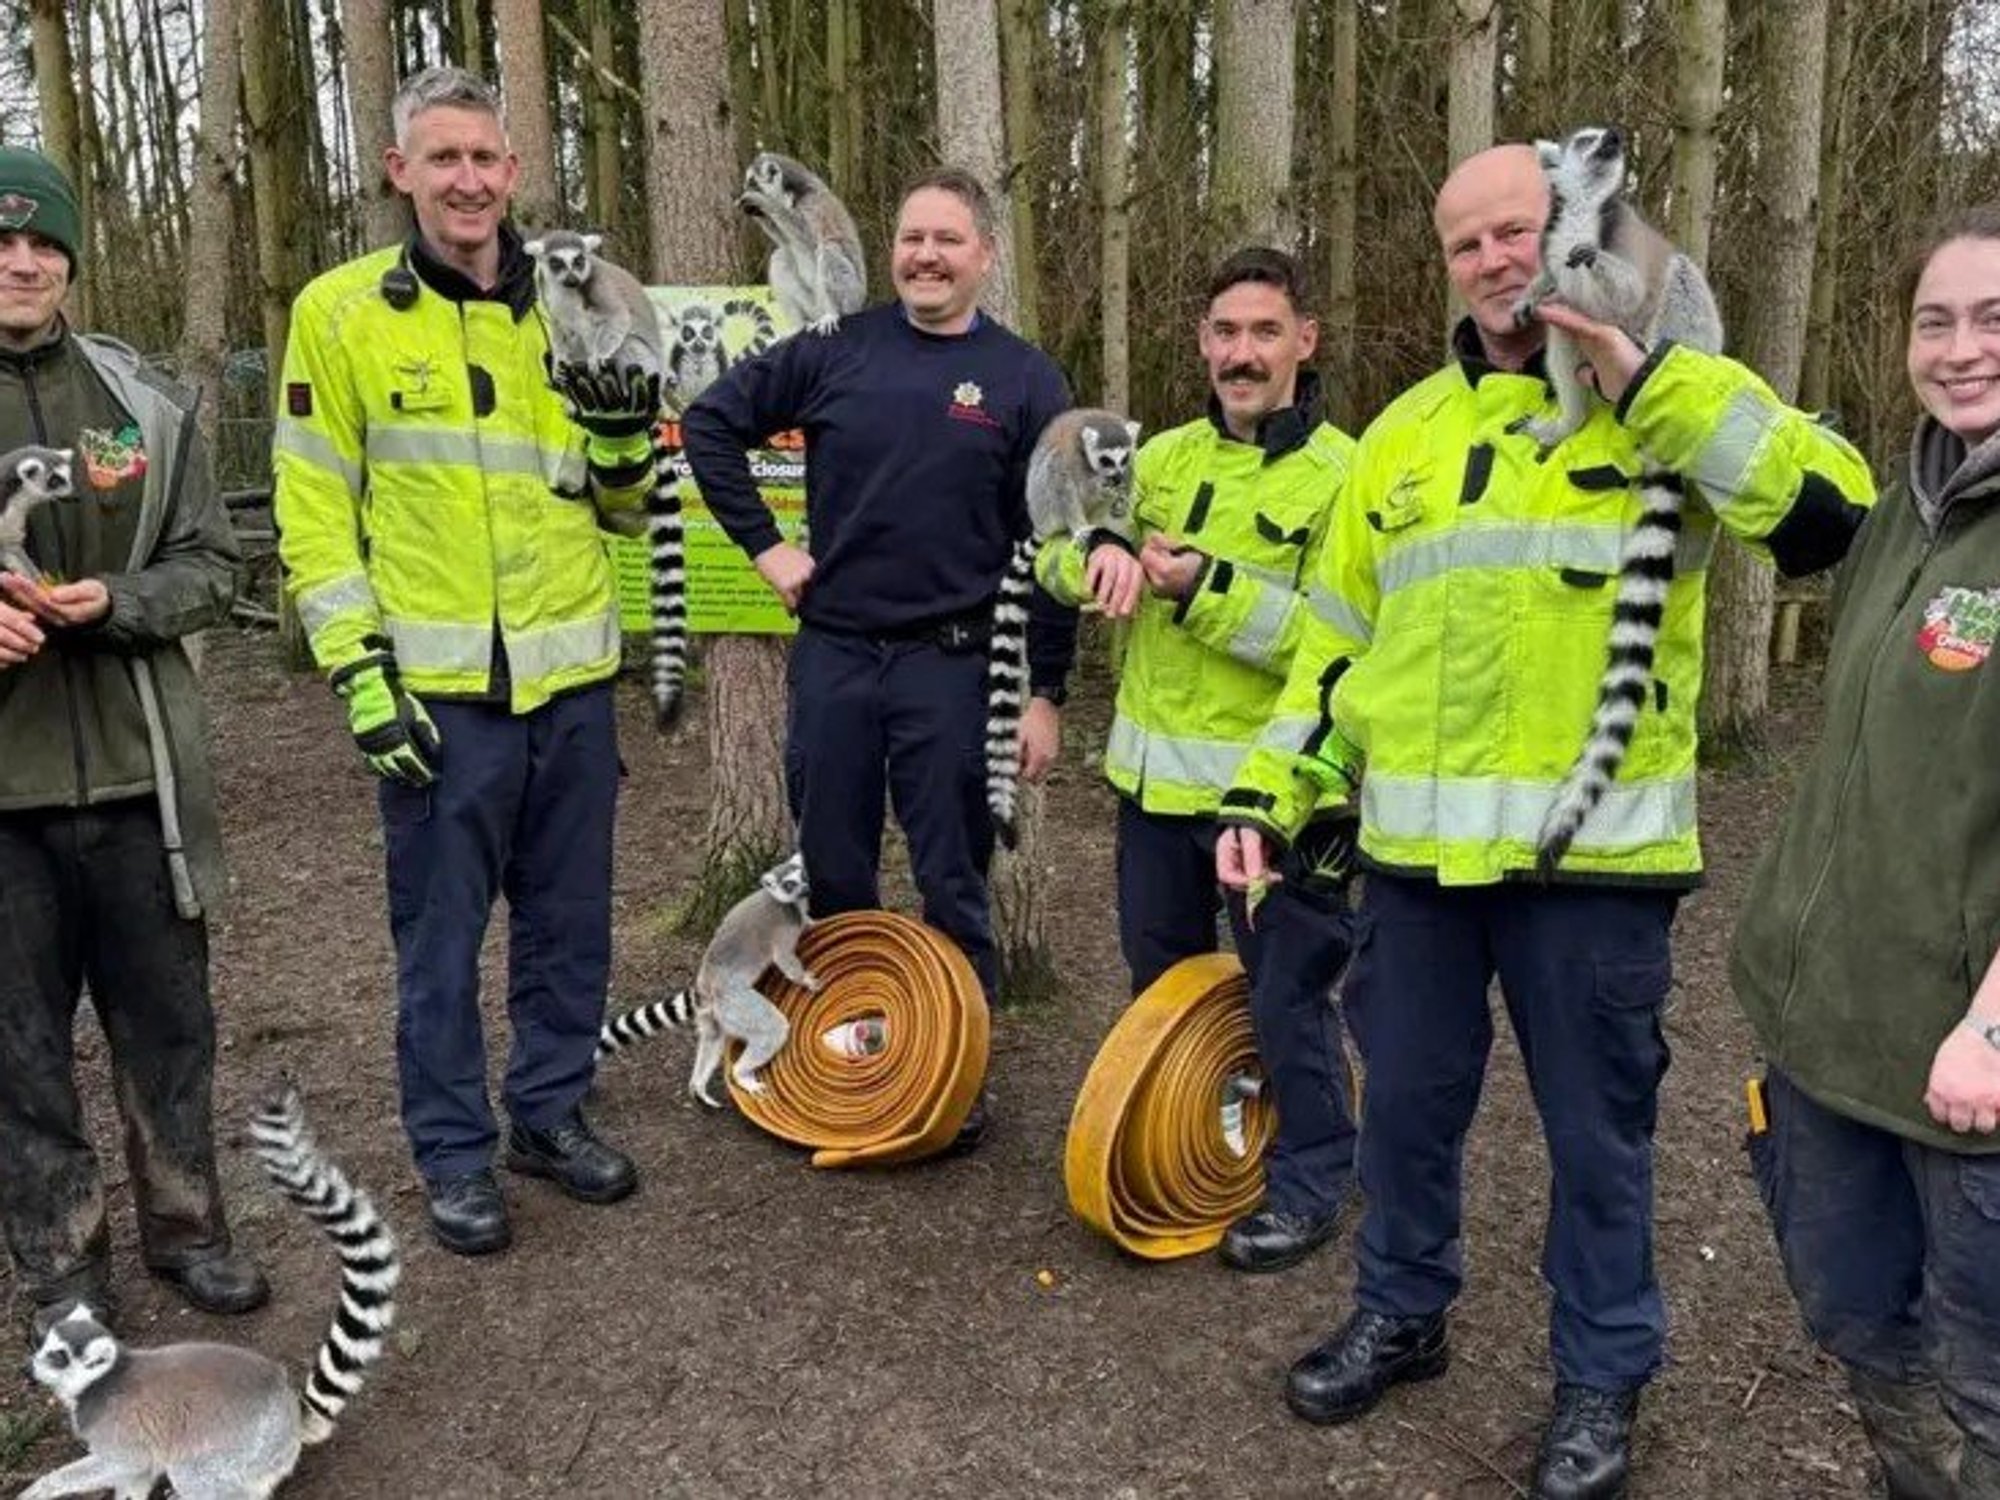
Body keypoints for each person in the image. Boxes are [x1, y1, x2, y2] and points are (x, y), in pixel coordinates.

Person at [1214, 143, 1876, 1499]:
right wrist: (1266, 796)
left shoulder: (1671, 394)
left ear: (1576, 228)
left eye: (1520, 230)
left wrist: (1658, 388)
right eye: (1469, 242)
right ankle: (1404, 1315)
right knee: (1401, 1112)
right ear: (1445, 263)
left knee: (1599, 1144)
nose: (1498, 259)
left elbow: (1830, 515)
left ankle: (1601, 1376)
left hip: (1595, 873)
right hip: (1412, 866)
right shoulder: (1400, 437)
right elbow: (1338, 647)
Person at [273, 67, 659, 1256]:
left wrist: (617, 441)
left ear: (513, 170)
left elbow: (625, 511)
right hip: (438, 698)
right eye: (442, 159)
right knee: (438, 944)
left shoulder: (576, 299)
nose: (469, 180)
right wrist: (358, 673)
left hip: (571, 685)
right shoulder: (339, 314)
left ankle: (548, 1113)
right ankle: (453, 1153)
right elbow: (312, 510)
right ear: (400, 173)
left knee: (570, 927)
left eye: (486, 159)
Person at [682, 166, 1075, 1145]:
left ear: (984, 255)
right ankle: (849, 1060)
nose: (925, 256)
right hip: (838, 659)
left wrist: (1044, 693)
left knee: (953, 877)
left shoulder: (1025, 380)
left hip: (957, 665)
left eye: (947, 239)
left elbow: (1058, 540)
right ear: (888, 250)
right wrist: (768, 548)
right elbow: (709, 425)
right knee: (834, 868)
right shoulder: (832, 350)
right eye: (910, 237)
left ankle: (955, 1072)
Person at [1731, 205, 2000, 1500]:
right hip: (1833, 1034)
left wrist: (1993, 1030)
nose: (1960, 349)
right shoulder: (1905, 512)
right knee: (1858, 1322)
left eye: (1993, 319)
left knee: (1988, 1376)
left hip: (1972, 1069)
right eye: (1935, 319)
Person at [1038, 247, 1361, 1272]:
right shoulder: (1157, 459)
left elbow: (1336, 641)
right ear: (1199, 343)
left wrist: (1201, 585)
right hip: (1150, 798)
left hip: (1276, 808)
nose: (1241, 353)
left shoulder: (1346, 476)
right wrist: (1090, 553)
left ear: (1304, 343)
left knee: (1285, 999)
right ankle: (1194, 1139)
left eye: (1264, 332)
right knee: (1165, 989)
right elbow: (1050, 548)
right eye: (1224, 333)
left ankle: (1312, 1179)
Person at [0, 146, 267, 1334]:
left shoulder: (142, 401)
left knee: (169, 1030)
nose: (21, 262)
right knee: (19, 1059)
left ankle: (187, 1228)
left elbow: (215, 560)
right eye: (2, 244)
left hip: (138, 781)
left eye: (43, 242)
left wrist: (120, 604)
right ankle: (62, 1268)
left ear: (70, 257)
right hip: (3, 809)